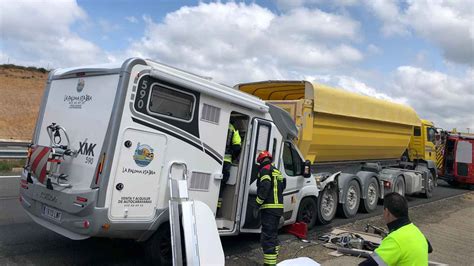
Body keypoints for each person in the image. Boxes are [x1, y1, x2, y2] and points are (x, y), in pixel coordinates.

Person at [360, 192, 432, 266]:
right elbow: (429, 248)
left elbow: (370, 264)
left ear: (387, 212)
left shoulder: (395, 239)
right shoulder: (416, 232)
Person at [255, 150, 285, 266]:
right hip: (278, 209)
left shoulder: (264, 170)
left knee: (267, 238)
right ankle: (274, 258)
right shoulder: (277, 171)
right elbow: (282, 187)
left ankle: (269, 264)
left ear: (261, 161)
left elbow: (265, 187)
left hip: (269, 209)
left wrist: (257, 204)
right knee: (273, 235)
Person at [217, 121, 242, 211]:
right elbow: (237, 147)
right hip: (226, 161)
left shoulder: (219, 124)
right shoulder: (233, 129)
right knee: (221, 185)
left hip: (213, 158)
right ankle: (217, 208)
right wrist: (233, 156)